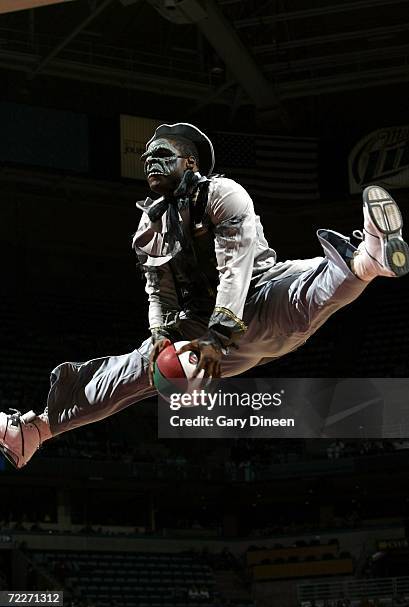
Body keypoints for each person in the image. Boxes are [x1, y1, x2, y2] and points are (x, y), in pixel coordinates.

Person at [0, 123, 408, 468]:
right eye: (145, 157)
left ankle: (368, 261)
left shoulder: (224, 193)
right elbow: (157, 288)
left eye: (161, 153)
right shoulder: (150, 221)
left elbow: (236, 268)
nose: (149, 161)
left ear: (190, 162)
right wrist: (159, 332)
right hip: (197, 323)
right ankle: (36, 430)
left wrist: (220, 336)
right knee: (132, 371)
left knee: (301, 287)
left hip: (254, 295)